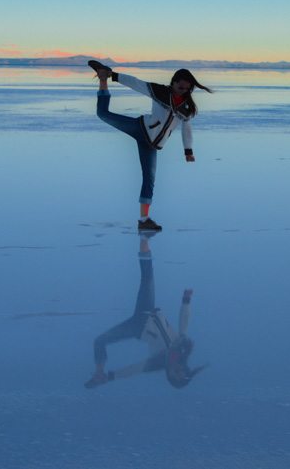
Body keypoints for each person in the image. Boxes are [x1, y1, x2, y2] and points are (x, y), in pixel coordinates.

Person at [88, 59, 212, 232]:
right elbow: (137, 84)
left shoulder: (187, 107)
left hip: (153, 145)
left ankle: (144, 220)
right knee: (102, 114)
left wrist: (188, 151)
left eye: (187, 89)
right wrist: (113, 76)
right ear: (173, 83)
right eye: (180, 87)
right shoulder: (159, 91)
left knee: (149, 179)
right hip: (140, 129)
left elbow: (186, 129)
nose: (184, 91)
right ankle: (102, 78)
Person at [84, 235, 205, 389]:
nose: (178, 370)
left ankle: (99, 373)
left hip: (139, 327)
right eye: (182, 371)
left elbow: (135, 369)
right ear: (185, 368)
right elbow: (183, 326)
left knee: (99, 341)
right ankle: (144, 238)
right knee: (147, 277)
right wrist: (186, 301)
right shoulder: (182, 348)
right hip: (148, 312)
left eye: (176, 374)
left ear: (170, 375)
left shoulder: (159, 362)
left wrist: (111, 377)